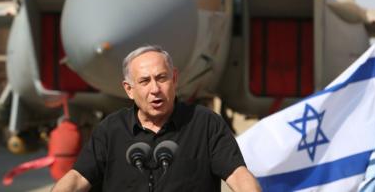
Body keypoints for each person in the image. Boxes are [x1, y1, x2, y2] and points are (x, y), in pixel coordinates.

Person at [52, 45, 261, 192]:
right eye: (144, 81)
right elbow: (78, 178)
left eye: (162, 78)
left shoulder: (205, 123)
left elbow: (238, 175)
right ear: (129, 90)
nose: (155, 89)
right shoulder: (110, 130)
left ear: (175, 79)